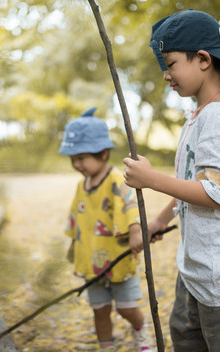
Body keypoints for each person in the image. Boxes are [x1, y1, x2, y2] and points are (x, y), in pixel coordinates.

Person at [123, 10, 220, 351]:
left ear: (203, 59)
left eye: (171, 63)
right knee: (187, 339)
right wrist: (159, 220)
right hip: (196, 274)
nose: (166, 75)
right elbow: (192, 184)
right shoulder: (199, 117)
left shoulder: (217, 119)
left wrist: (151, 179)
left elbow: (216, 193)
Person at [60, 107, 153, 352]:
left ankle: (141, 329)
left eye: (81, 158)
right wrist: (73, 245)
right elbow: (77, 216)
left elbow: (130, 203)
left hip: (117, 259)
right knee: (99, 310)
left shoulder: (115, 180)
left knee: (125, 307)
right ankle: (106, 346)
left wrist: (135, 230)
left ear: (102, 153)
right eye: (73, 159)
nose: (77, 164)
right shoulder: (83, 185)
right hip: (92, 262)